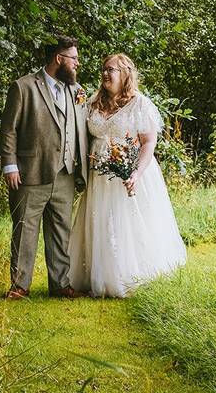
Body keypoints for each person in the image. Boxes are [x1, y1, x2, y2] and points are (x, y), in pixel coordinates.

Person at [68, 53, 186, 298]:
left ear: (125, 75)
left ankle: (129, 274)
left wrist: (135, 173)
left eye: (111, 70)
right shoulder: (93, 103)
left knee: (127, 222)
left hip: (131, 172)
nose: (105, 74)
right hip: (99, 174)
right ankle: (97, 275)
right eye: (103, 69)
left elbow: (149, 143)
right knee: (100, 219)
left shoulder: (140, 104)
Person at [0, 35, 90, 299]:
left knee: (61, 231)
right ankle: (19, 286)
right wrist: (10, 166)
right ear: (59, 59)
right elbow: (8, 131)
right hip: (30, 172)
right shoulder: (23, 87)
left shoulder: (77, 91)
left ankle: (60, 284)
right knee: (25, 229)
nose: (77, 64)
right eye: (74, 58)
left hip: (66, 174)